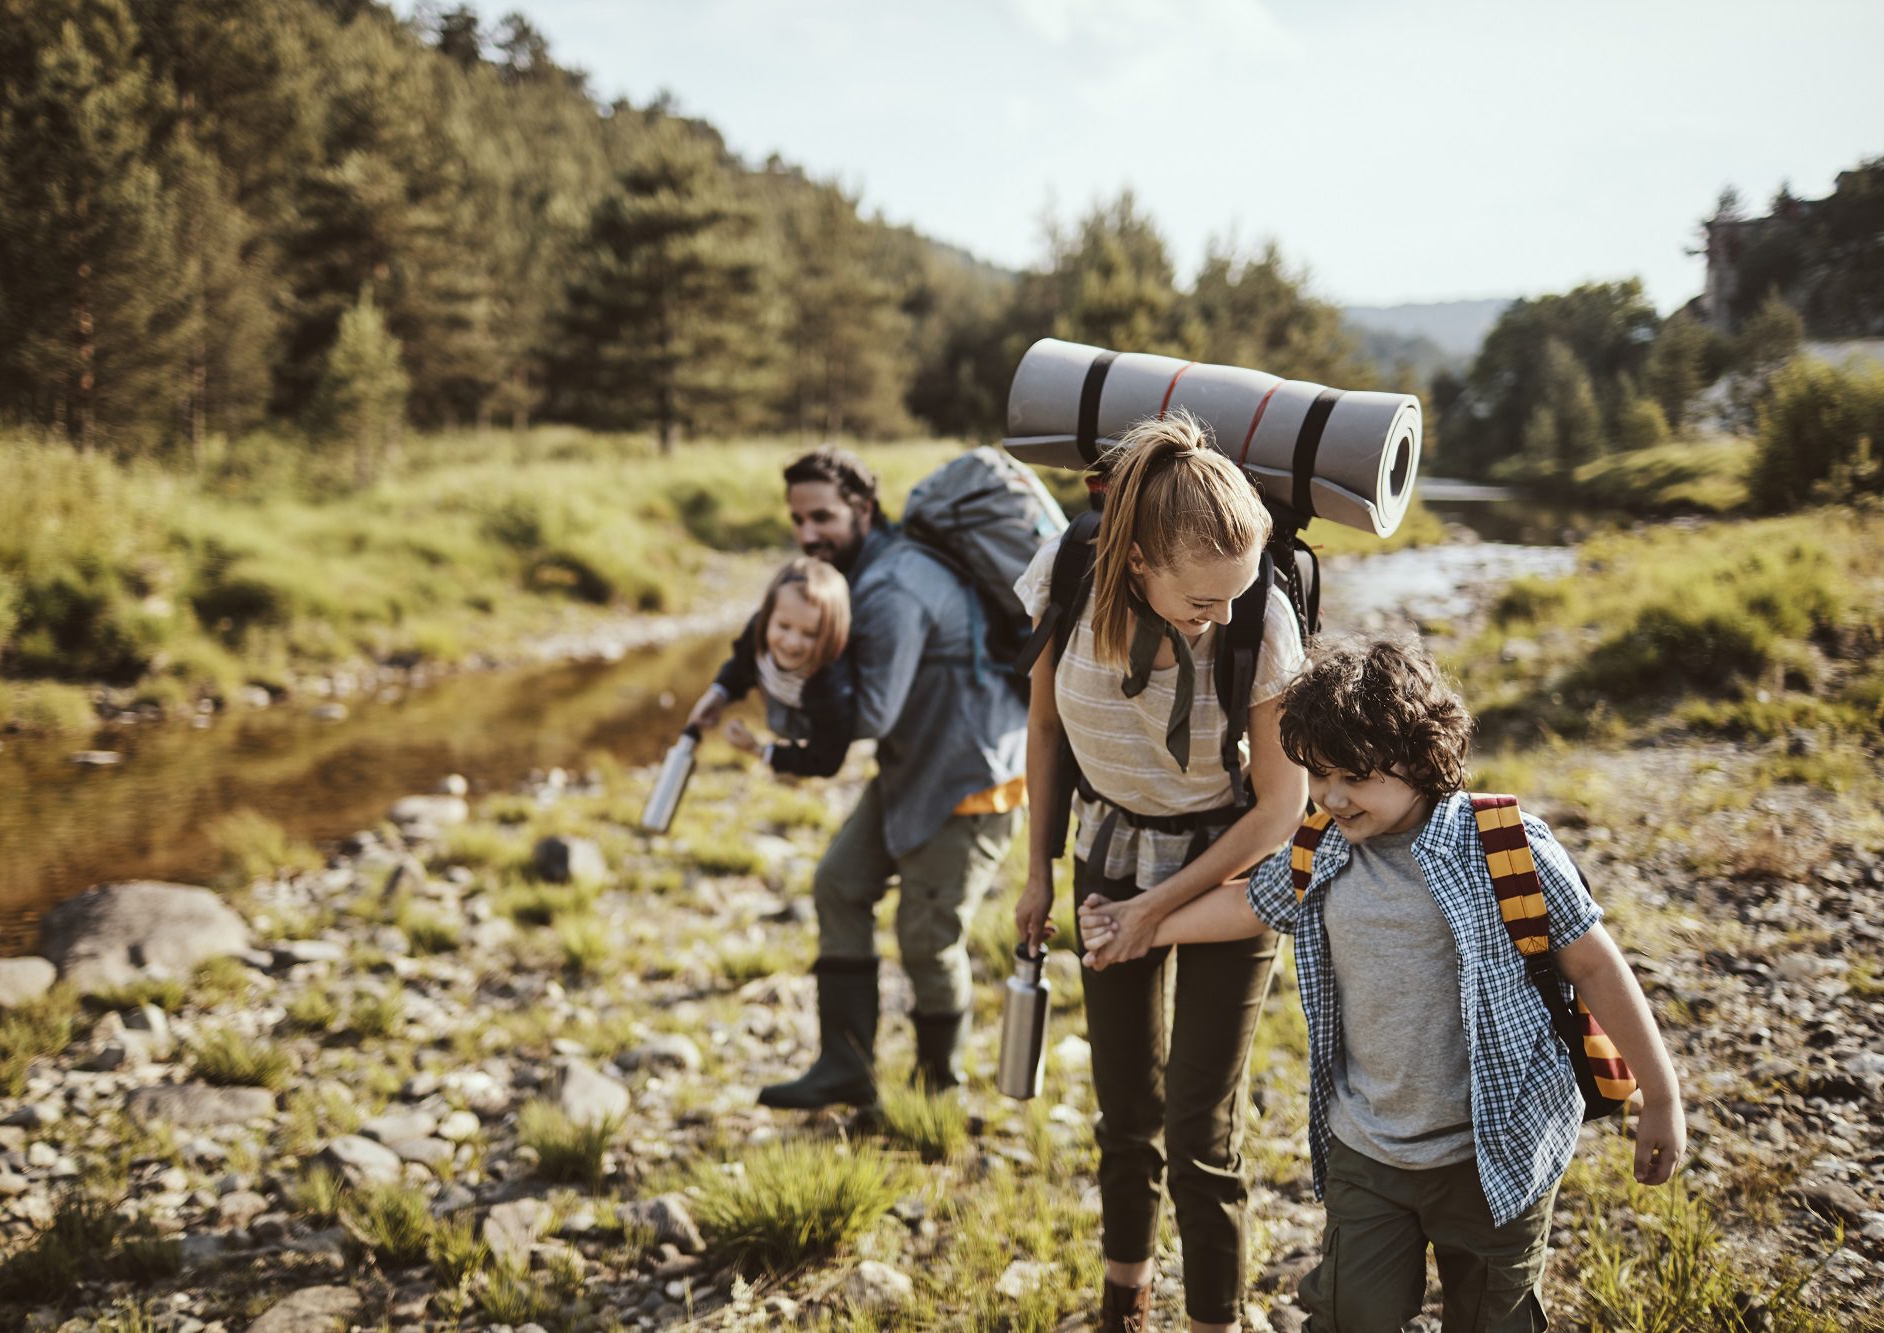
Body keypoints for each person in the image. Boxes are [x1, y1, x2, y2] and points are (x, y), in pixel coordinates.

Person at [1080, 636, 1686, 1333]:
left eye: (1355, 776)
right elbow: (1252, 902)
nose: (1332, 795)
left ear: (1422, 757)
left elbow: (1595, 965)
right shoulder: (1321, 846)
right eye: (1317, 773)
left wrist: (1661, 1094)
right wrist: (1146, 926)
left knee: (1493, 1314)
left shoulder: (1505, 846)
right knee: (1351, 1312)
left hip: (1498, 1148)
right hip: (1370, 1149)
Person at [1012, 411, 1310, 1333]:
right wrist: (1038, 872)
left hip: (1229, 873)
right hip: (1109, 855)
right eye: (1202, 601)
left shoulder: (1260, 619)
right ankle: (1124, 1302)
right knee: (1125, 1114)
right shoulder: (1070, 573)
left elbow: (1279, 808)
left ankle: (1214, 1320)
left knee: (1198, 1132)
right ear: (1136, 559)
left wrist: (1157, 911)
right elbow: (1047, 729)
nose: (1221, 618)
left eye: (1236, 597)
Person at [689, 446, 1028, 1105]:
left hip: (971, 779)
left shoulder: (891, 588)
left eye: (822, 516)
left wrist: (781, 701)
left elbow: (868, 714)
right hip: (916, 771)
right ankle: (844, 1067)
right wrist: (730, 682)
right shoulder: (859, 573)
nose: (808, 533)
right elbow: (784, 624)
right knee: (839, 883)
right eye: (797, 519)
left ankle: (938, 1090)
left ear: (863, 510)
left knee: (927, 940)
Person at [699, 556, 856, 777]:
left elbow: (826, 762)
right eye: (784, 626)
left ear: (831, 637)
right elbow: (740, 665)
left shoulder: (831, 687)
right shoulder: (757, 631)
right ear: (767, 616)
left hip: (812, 710)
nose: (792, 642)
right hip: (779, 690)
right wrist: (718, 694)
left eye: (810, 634)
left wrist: (759, 750)